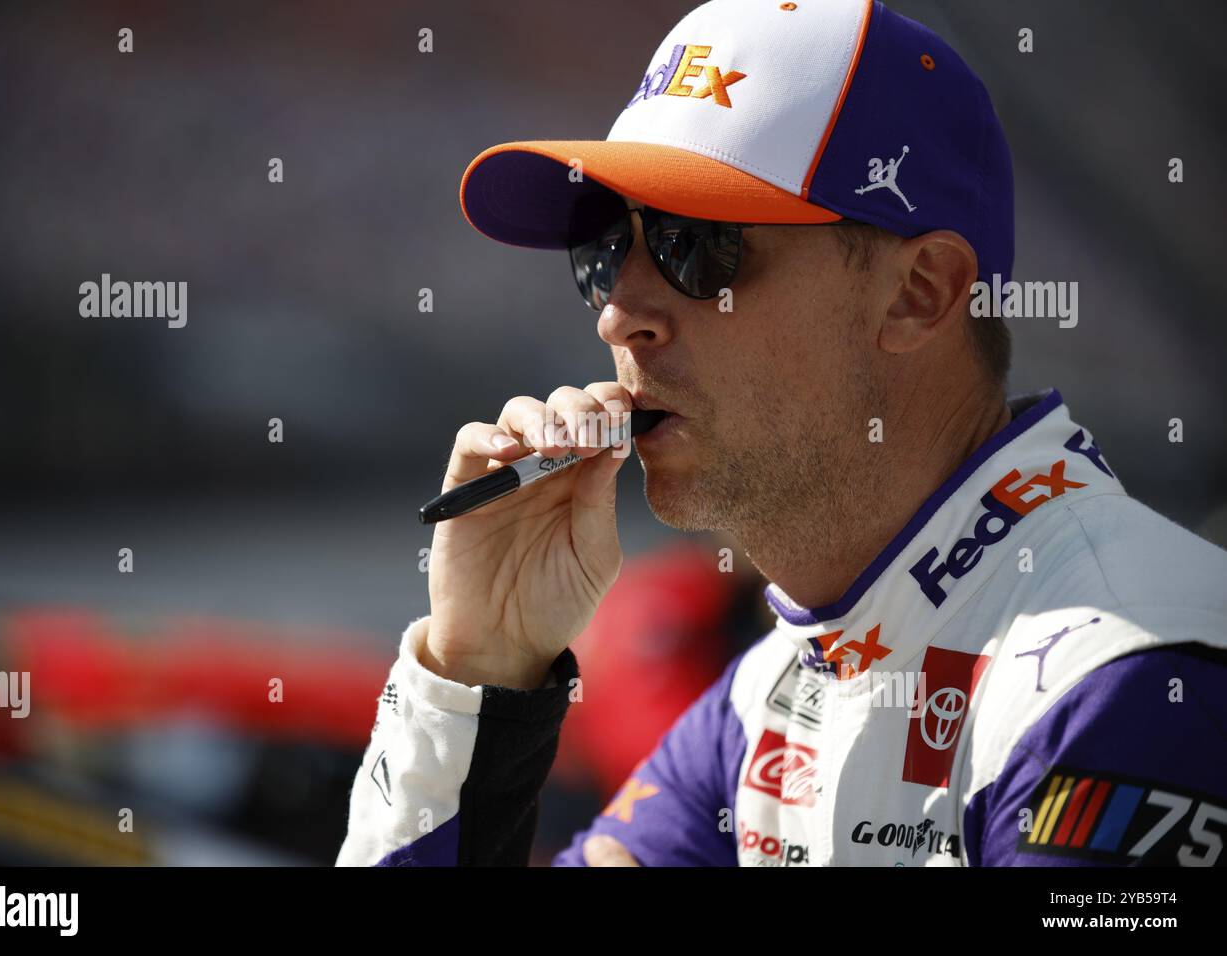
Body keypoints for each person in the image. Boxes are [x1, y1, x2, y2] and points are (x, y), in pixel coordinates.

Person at [337, 0, 1227, 867]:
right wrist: (476, 672)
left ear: (919, 293)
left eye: (699, 246)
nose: (619, 314)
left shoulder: (1128, 681)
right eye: (606, 248)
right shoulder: (768, 702)